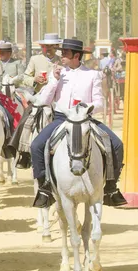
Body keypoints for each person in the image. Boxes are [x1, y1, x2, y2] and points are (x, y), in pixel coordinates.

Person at [30, 38, 126, 208]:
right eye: (62, 53)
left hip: (85, 119)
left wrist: (85, 108)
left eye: (65, 53)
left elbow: (99, 102)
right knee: (36, 145)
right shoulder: (57, 74)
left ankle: (111, 187)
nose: (62, 56)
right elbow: (44, 100)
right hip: (61, 119)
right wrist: (54, 80)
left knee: (117, 144)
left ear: (76, 55)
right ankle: (45, 188)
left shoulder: (92, 74)